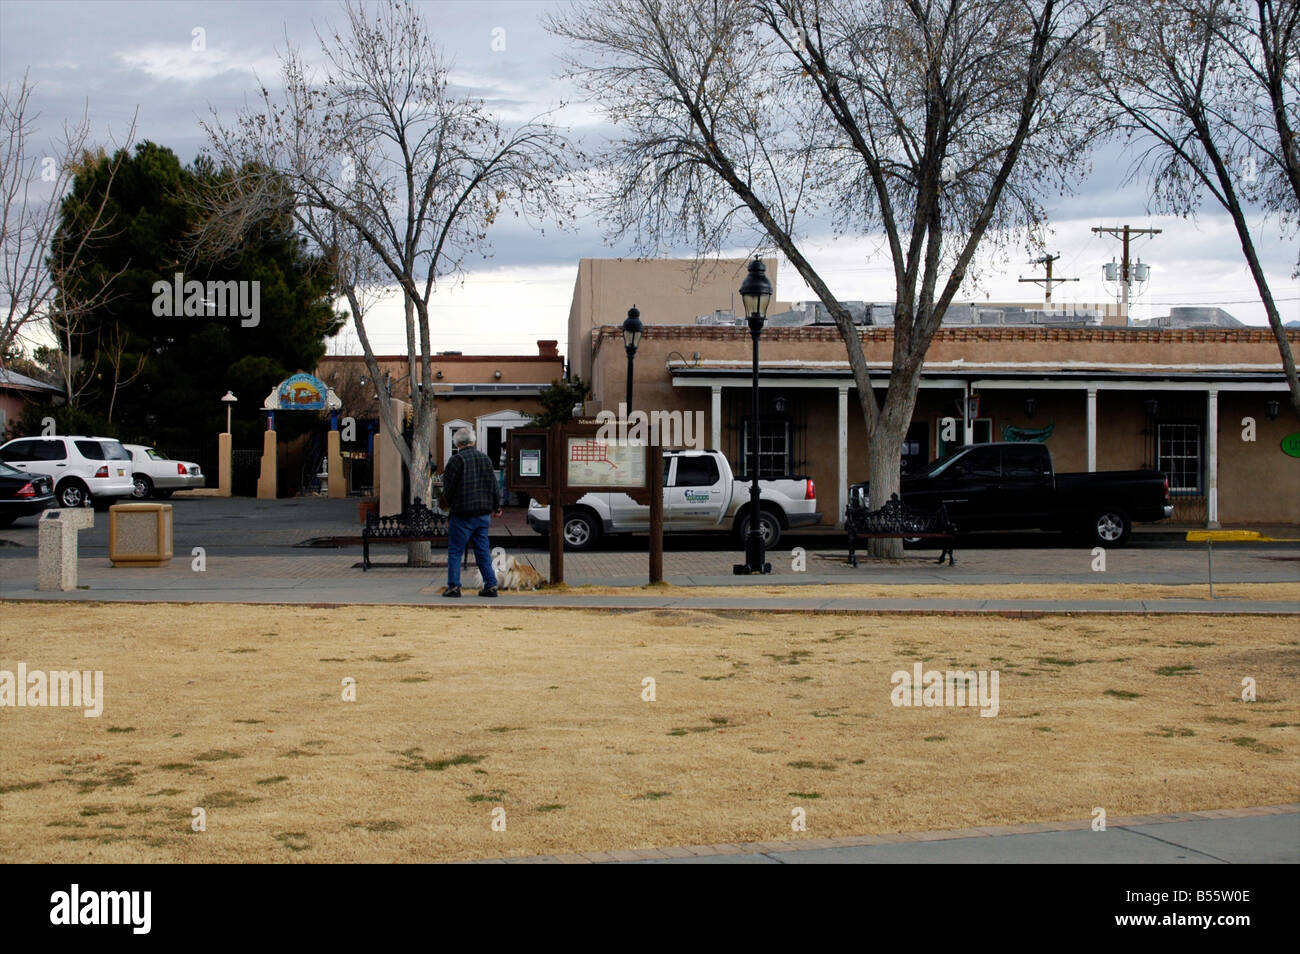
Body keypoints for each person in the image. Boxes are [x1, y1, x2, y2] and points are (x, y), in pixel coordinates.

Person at [440, 428, 501, 598]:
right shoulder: (485, 459)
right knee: (482, 551)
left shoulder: (456, 460)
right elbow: (493, 486)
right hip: (482, 514)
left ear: (457, 443)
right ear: (473, 441)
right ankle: (490, 585)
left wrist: (446, 504)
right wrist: (496, 507)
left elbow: (449, 489)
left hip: (462, 514)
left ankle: (454, 586)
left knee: (455, 551)